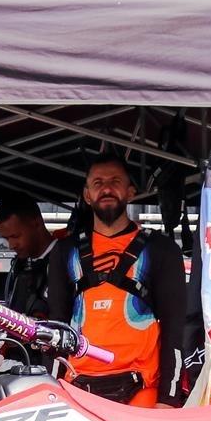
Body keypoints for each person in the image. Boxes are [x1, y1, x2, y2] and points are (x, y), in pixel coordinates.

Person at [62, 155, 190, 406]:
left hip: (142, 389)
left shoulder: (161, 249)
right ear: (87, 195)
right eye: (98, 183)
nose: (106, 189)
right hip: (76, 389)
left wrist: (168, 399)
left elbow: (175, 329)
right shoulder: (65, 251)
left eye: (115, 181)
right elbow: (56, 326)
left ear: (131, 192)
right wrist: (49, 386)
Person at [0, 192, 70, 320]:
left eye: (15, 236)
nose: (11, 245)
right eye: (6, 238)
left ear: (37, 223)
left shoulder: (68, 260)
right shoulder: (20, 266)